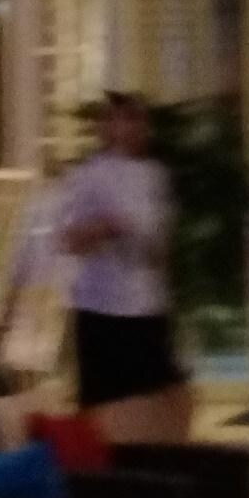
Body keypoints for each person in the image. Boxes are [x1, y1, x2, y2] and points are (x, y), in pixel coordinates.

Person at [54, 92, 191, 443]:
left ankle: (162, 456)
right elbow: (68, 239)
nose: (129, 128)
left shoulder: (154, 176)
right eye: (119, 119)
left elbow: (161, 242)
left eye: (136, 119)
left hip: (148, 307)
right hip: (102, 309)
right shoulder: (88, 176)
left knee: (162, 395)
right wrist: (104, 229)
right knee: (106, 405)